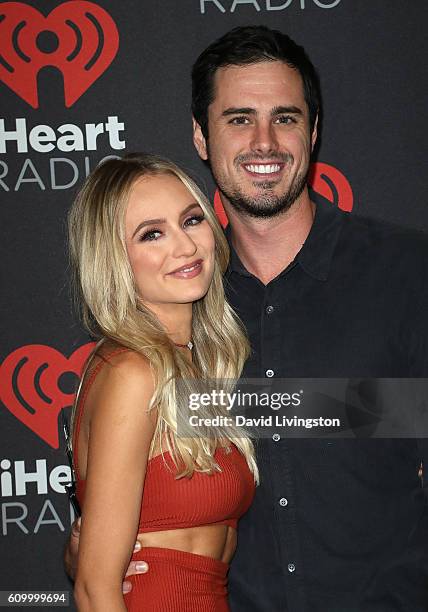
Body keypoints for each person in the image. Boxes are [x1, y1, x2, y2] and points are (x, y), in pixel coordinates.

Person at [66, 27, 428, 611]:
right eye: (238, 119)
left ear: (313, 132)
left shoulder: (408, 273)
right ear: (200, 137)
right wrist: (100, 559)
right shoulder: (188, 305)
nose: (264, 141)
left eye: (285, 118)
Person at [67, 152, 258, 611]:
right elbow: (95, 590)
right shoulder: (133, 373)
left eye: (191, 220)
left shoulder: (194, 363)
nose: (187, 247)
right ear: (113, 258)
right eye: (152, 234)